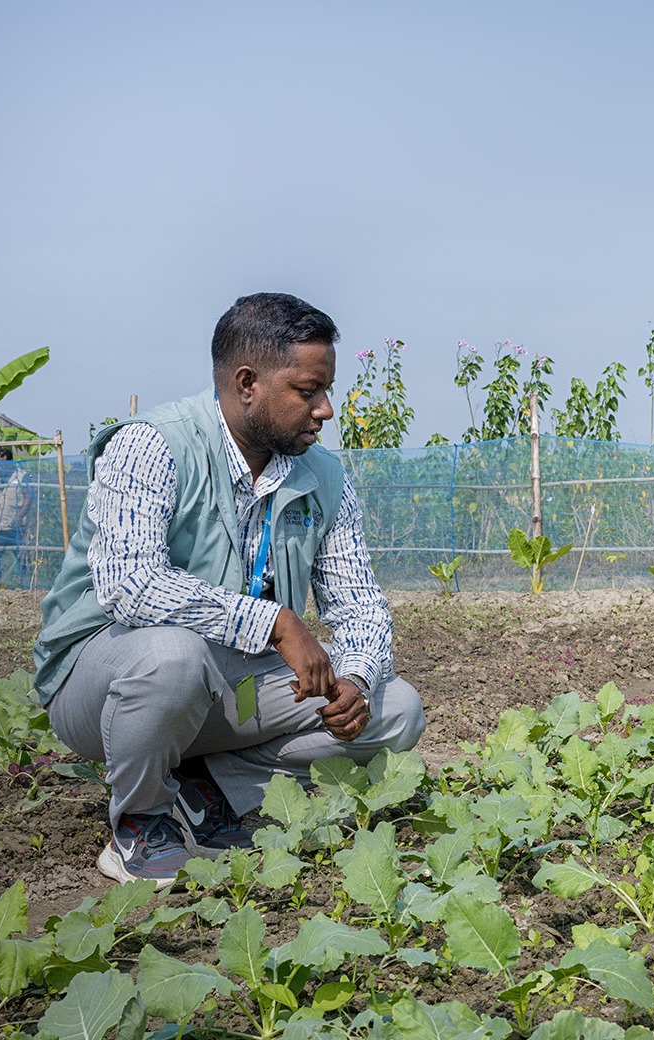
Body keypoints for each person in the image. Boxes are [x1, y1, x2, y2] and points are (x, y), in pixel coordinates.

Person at [33, 292, 426, 886]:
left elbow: (360, 602)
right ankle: (140, 825)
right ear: (247, 382)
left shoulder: (322, 475)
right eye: (307, 391)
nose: (325, 410)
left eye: (326, 391)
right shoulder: (152, 445)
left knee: (397, 710)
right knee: (173, 657)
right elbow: (130, 584)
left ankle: (206, 791)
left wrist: (359, 679)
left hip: (231, 684)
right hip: (105, 683)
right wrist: (273, 622)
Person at [0, 445, 31, 587]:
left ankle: (25, 585)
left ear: (10, 463)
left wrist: (19, 516)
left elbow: (28, 498)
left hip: (16, 528)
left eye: (3, 464)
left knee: (22, 558)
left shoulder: (21, 476)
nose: (0, 468)